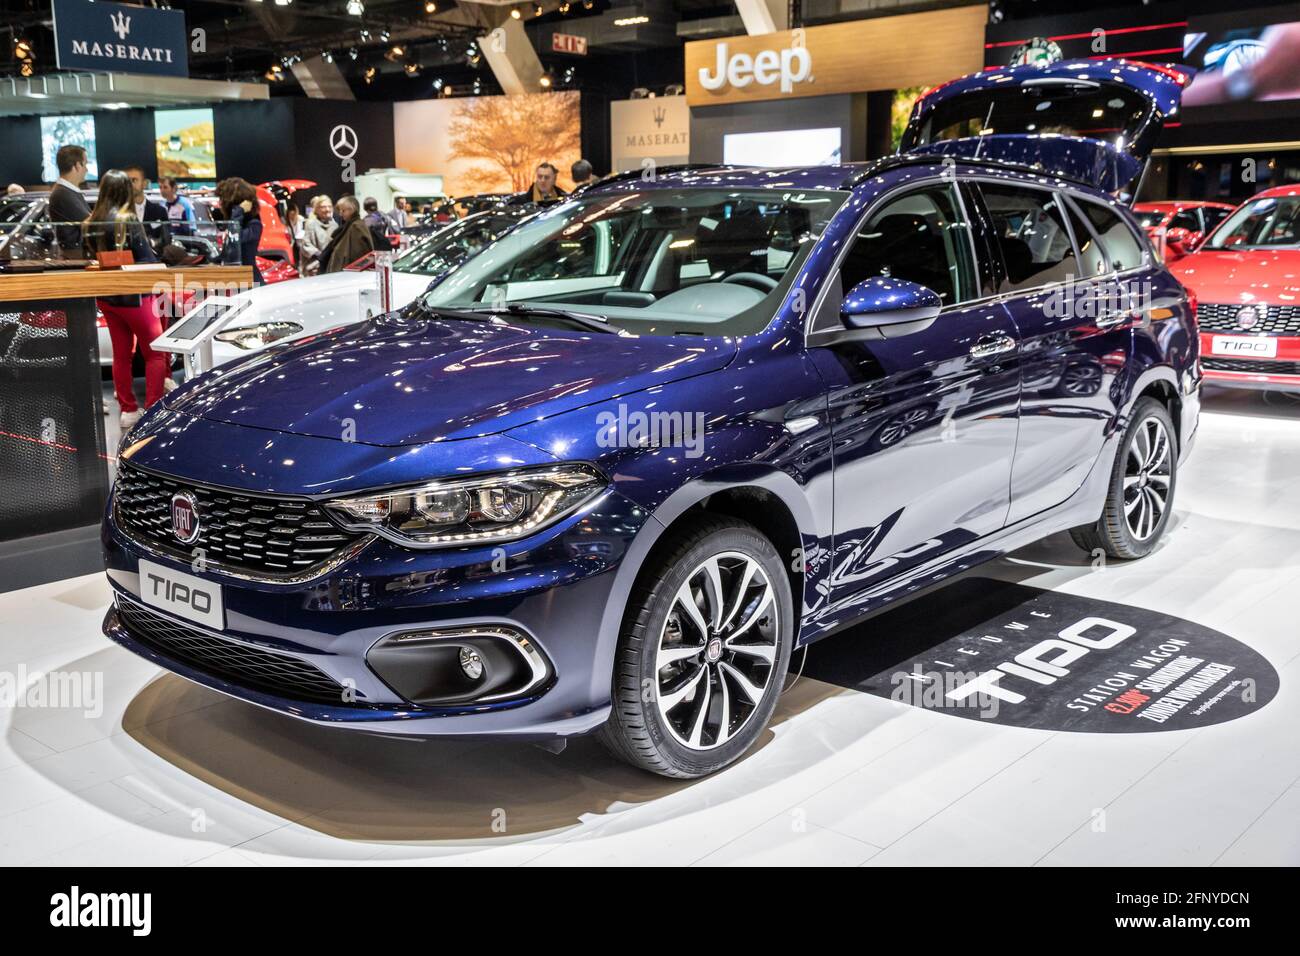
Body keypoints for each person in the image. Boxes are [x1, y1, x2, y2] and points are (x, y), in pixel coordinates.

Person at [83, 169, 164, 430]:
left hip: (107, 298)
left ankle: (128, 410)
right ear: (124, 190)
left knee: (122, 354)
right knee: (155, 353)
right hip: (136, 297)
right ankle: (153, 411)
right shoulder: (127, 219)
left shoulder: (91, 222)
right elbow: (147, 259)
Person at [215, 177, 264, 285]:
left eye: (222, 200)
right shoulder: (237, 224)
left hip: (250, 282)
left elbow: (235, 242)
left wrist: (238, 212)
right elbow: (228, 254)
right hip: (238, 279)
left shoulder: (254, 224)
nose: (220, 204)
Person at [48, 144, 91, 257]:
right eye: (85, 164)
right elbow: (90, 223)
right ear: (77, 165)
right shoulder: (62, 194)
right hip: (74, 258)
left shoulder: (67, 191)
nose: (86, 169)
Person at [320, 196, 375, 273]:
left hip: (350, 275)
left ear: (352, 210)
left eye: (343, 211)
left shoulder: (356, 227)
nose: (340, 214)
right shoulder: (350, 226)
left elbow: (358, 256)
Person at [123, 165, 171, 249]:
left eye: (134, 180)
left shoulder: (159, 211)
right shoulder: (119, 212)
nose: (130, 184)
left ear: (144, 183)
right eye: (127, 181)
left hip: (154, 258)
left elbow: (166, 240)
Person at [301, 195, 337, 276]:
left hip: (330, 268)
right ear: (317, 209)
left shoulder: (334, 225)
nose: (327, 209)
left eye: (329, 206)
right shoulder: (311, 224)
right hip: (315, 269)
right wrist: (321, 255)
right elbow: (306, 245)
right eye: (323, 207)